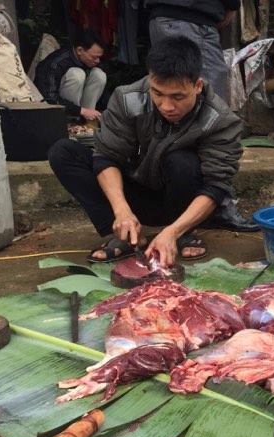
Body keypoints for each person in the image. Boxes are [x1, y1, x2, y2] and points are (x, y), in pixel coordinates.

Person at [48, 36, 244, 266]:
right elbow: (107, 156)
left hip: (185, 205)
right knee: (63, 152)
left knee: (182, 161)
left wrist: (173, 231)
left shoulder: (220, 120)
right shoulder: (126, 98)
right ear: (150, 80)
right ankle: (126, 235)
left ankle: (182, 233)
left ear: (197, 86)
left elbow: (216, 186)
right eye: (158, 93)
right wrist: (121, 210)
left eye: (178, 97)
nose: (167, 106)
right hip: (136, 197)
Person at [146, 0, 239, 102]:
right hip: (191, 17)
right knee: (211, 95)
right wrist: (232, 5)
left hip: (163, 17)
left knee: (171, 88)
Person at [35, 28, 107, 122]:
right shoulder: (55, 63)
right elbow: (49, 98)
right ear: (80, 50)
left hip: (82, 110)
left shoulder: (91, 61)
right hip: (54, 111)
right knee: (77, 74)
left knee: (99, 74)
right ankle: (71, 120)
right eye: (94, 57)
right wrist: (79, 111)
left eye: (99, 57)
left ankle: (88, 119)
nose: (97, 61)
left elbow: (101, 92)